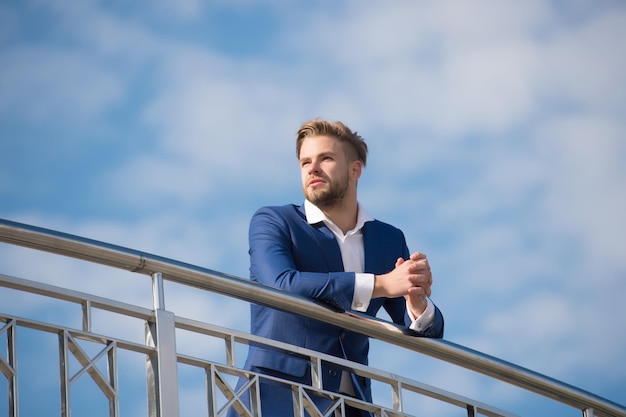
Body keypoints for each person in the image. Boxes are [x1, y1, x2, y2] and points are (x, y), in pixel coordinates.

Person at [227, 118, 444, 417]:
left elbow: (425, 334)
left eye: (325, 158)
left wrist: (417, 303)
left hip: (352, 406)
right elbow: (281, 285)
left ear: (355, 170)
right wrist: (380, 284)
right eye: (305, 162)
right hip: (275, 399)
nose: (312, 168)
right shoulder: (273, 222)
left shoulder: (389, 239)